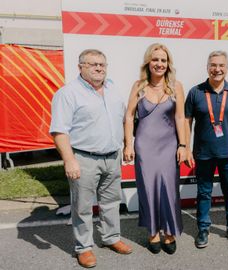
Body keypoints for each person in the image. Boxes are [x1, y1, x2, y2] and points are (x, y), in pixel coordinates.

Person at [50, 49, 132, 268]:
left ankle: (111, 237)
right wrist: (69, 160)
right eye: (93, 64)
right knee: (82, 206)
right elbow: (59, 131)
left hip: (112, 157)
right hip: (84, 158)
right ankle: (84, 248)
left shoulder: (112, 88)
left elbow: (124, 119)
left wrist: (126, 145)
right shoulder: (68, 93)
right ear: (80, 67)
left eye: (102, 65)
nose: (99, 68)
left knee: (111, 202)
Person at [123, 43, 187, 255]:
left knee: (169, 190)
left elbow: (180, 117)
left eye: (163, 60)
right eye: (155, 59)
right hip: (145, 146)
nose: (159, 64)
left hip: (169, 145)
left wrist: (183, 145)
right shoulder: (138, 86)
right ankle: (153, 233)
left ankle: (169, 231)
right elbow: (129, 116)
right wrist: (128, 144)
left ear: (168, 64)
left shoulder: (176, 86)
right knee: (148, 189)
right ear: (148, 62)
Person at [185, 50, 228, 248]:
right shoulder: (196, 92)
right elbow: (187, 120)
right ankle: (203, 228)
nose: (217, 69)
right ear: (207, 67)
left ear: (227, 69)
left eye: (221, 65)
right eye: (213, 65)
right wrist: (186, 147)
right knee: (204, 193)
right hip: (204, 154)